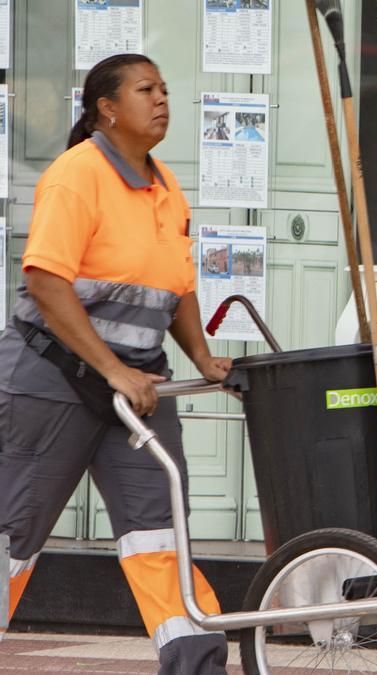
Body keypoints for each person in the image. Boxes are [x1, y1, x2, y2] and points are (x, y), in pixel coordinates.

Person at [0, 54, 232, 674]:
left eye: (165, 88)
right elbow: (47, 280)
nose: (162, 99)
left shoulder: (165, 183)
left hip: (137, 388)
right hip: (52, 386)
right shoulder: (77, 175)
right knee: (11, 537)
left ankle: (198, 667)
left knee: (162, 538)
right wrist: (112, 370)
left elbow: (175, 284)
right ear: (107, 107)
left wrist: (203, 358)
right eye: (146, 89)